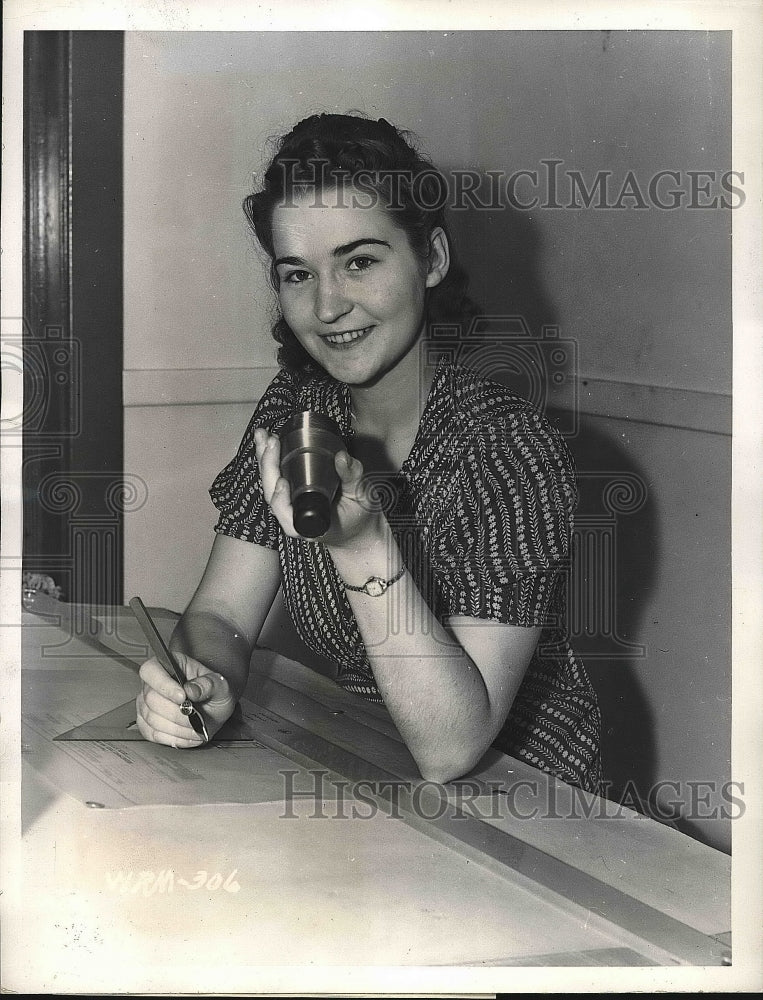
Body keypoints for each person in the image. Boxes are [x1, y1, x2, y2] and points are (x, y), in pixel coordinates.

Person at [136, 113, 602, 793]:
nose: (327, 306)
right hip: (379, 759)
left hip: (528, 794)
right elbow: (223, 616)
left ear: (432, 259)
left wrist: (361, 546)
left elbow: (451, 746)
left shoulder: (509, 452)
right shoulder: (294, 411)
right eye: (297, 274)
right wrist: (206, 677)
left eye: (358, 262)